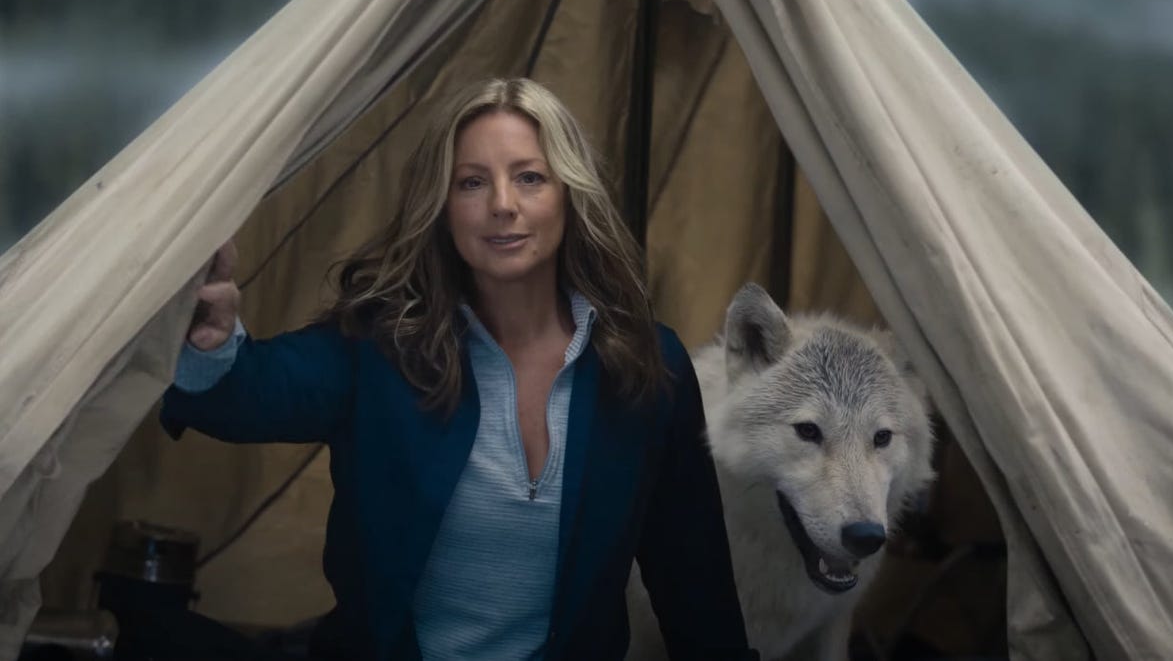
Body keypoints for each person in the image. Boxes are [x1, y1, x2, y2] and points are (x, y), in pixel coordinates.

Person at [163, 77, 757, 661]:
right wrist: (210, 339)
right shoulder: (381, 347)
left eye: (529, 177)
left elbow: (692, 573)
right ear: (442, 208)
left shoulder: (650, 365)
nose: (503, 204)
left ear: (570, 195)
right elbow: (247, 392)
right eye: (472, 183)